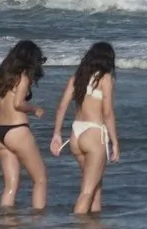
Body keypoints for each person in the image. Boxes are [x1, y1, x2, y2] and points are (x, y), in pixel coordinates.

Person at [49, 42, 119, 214]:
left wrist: (56, 134)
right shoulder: (105, 78)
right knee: (87, 191)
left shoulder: (77, 79)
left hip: (76, 135)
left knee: (95, 184)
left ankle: (93, 227)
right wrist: (115, 142)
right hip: (94, 134)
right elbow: (108, 113)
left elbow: (61, 107)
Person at [0, 39, 47, 210]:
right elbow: (18, 104)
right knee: (40, 180)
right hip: (17, 130)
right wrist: (34, 109)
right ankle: (38, 220)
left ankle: (5, 222)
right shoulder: (22, 78)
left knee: (10, 186)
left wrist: (1, 106)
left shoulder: (0, 75)